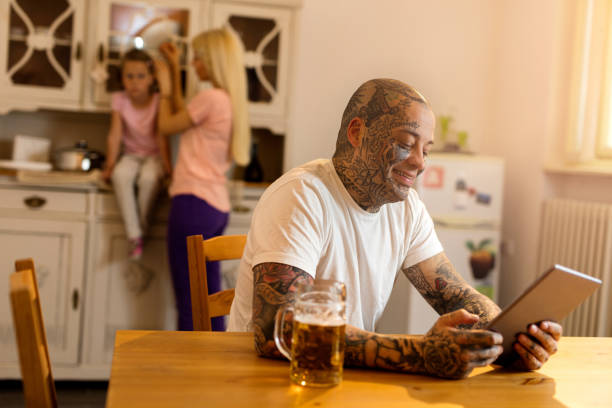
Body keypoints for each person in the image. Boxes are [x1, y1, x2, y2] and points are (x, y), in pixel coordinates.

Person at [227, 78, 562, 379]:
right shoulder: (301, 196)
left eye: (426, 149)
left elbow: (455, 295)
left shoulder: (407, 209)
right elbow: (277, 332)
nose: (420, 162)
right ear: (357, 133)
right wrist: (420, 354)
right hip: (265, 380)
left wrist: (512, 340)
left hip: (341, 377)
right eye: (405, 143)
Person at [155, 28, 250, 331]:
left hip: (192, 205)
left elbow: (168, 125)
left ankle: (190, 375)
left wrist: (165, 88)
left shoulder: (211, 98)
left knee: (191, 303)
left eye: (198, 58)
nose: (194, 64)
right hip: (214, 207)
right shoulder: (228, 100)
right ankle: (211, 370)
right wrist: (173, 66)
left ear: (214, 61)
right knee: (207, 302)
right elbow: (186, 115)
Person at [103, 48, 171, 260]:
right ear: (122, 78)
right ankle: (135, 236)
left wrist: (168, 167)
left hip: (154, 155)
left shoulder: (158, 100)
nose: (134, 82)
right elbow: (114, 135)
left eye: (141, 76)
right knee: (120, 176)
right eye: (129, 76)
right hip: (131, 154)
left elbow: (162, 136)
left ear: (152, 78)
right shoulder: (120, 100)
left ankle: (138, 230)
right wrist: (110, 164)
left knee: (149, 180)